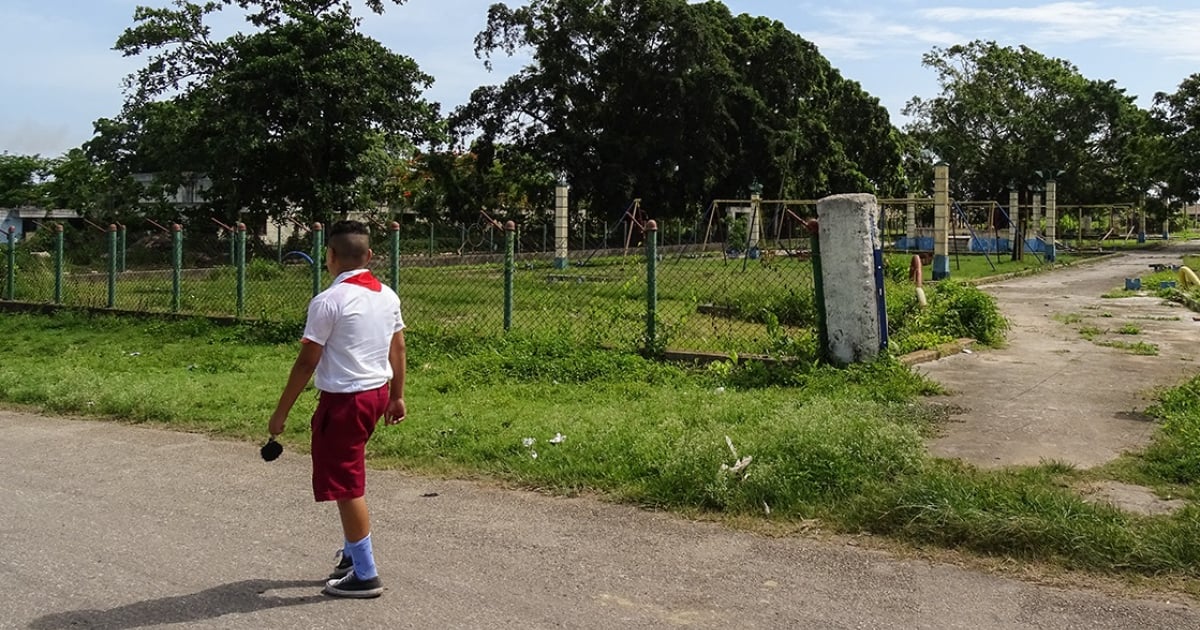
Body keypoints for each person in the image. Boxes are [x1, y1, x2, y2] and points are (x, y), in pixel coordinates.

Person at [268, 219, 406, 599]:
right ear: (371, 256)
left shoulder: (328, 301)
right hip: (376, 394)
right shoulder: (387, 295)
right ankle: (350, 554)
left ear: (328, 256)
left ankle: (365, 573)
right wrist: (397, 395)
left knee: (347, 486)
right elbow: (398, 349)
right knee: (351, 472)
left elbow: (306, 363)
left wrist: (280, 414)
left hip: (345, 401)